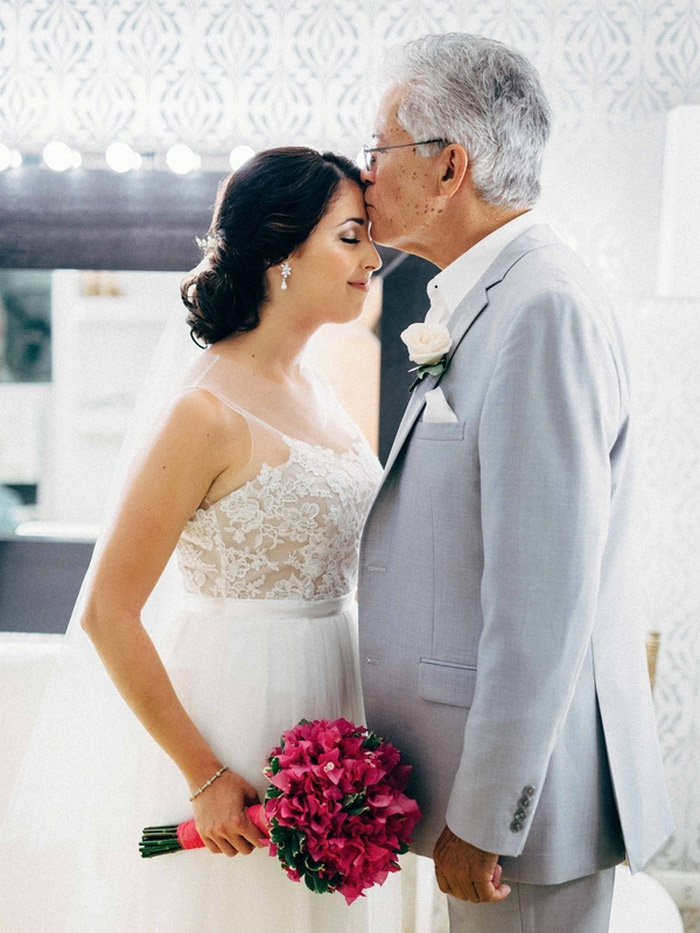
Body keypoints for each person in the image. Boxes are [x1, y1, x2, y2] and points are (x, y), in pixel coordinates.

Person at [1, 147, 402, 931]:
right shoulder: (204, 411)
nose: (373, 257)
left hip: (333, 705)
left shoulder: (322, 388)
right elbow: (108, 611)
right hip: (234, 709)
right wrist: (205, 771)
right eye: (350, 236)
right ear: (281, 250)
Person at [357, 32, 674, 932]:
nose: (365, 173)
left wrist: (487, 813)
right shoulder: (497, 297)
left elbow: (542, 593)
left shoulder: (541, 307)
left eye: (378, 149)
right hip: (492, 787)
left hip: (528, 811)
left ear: (449, 165)